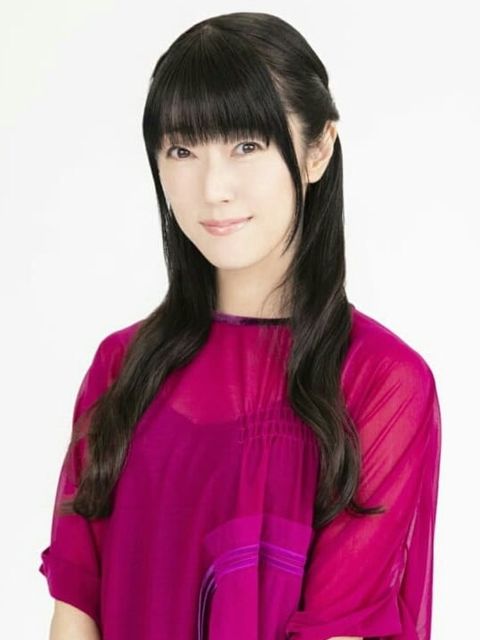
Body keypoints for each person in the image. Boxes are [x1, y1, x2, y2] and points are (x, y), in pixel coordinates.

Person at [38, 11, 442, 640]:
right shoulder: (121, 367)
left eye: (246, 146)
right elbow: (75, 610)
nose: (213, 188)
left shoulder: (380, 382)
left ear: (317, 149)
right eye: (182, 150)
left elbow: (339, 627)